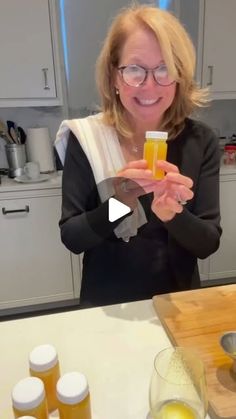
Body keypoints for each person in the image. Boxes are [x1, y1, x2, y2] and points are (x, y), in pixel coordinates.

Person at [55, 5, 221, 308]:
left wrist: (174, 214)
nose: (149, 84)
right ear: (114, 76)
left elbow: (208, 243)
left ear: (180, 77)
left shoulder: (202, 142)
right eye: (134, 69)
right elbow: (73, 238)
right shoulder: (86, 139)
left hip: (178, 304)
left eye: (164, 69)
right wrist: (121, 202)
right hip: (106, 308)